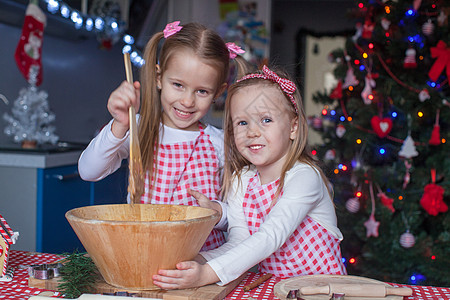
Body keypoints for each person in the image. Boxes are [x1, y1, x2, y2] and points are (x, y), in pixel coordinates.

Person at [152, 65, 347, 289]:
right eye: (242, 123)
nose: (252, 132)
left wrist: (206, 274)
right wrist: (194, 262)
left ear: (293, 127)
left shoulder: (305, 177)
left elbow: (270, 236)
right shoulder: (242, 180)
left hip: (325, 292)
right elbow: (239, 243)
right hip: (276, 290)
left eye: (266, 120)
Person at [78, 21, 246, 251]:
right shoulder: (139, 128)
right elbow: (88, 171)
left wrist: (219, 212)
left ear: (218, 92)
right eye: (177, 85)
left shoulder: (221, 143)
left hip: (200, 264)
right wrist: (120, 124)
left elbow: (242, 214)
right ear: (158, 78)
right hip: (143, 254)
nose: (187, 101)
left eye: (202, 91)